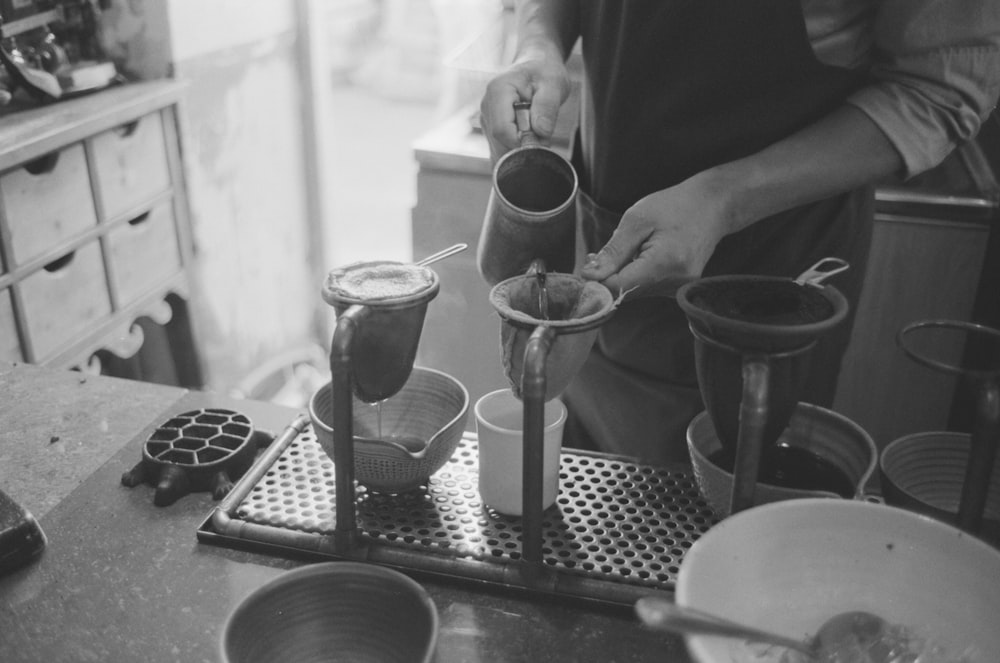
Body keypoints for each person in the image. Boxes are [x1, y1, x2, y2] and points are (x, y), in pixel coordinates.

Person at [479, 1, 1000, 465]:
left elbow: (939, 90)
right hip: (608, 221)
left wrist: (723, 199)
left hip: (766, 271)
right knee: (588, 485)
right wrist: (538, 47)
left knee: (723, 492)